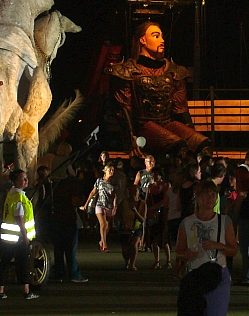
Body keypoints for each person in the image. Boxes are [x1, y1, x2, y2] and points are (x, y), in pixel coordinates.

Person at [106, 22, 212, 155]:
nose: (162, 40)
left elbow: (181, 108)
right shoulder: (128, 71)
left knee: (203, 146)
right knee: (178, 147)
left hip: (168, 124)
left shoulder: (173, 71)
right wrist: (131, 138)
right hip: (144, 129)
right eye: (156, 36)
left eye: (162, 36)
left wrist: (190, 133)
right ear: (142, 40)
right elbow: (124, 109)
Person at [175, 180, 238, 316]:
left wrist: (219, 246)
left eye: (213, 195)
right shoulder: (187, 222)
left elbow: (233, 250)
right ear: (197, 197)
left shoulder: (224, 221)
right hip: (194, 275)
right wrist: (185, 254)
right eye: (206, 194)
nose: (210, 198)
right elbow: (178, 250)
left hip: (217, 274)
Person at [0, 170, 39, 300]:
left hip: (8, 237)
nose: (26, 180)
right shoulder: (19, 197)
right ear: (15, 181)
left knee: (4, 263)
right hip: (19, 238)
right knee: (23, 264)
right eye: (23, 178)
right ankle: (26, 291)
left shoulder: (10, 195)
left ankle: (1, 290)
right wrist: (25, 236)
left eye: (26, 178)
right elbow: (19, 217)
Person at [49, 165, 88, 283]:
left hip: (56, 217)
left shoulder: (53, 184)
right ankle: (74, 274)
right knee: (70, 248)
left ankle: (59, 273)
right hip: (68, 218)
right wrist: (82, 201)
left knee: (58, 249)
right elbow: (74, 201)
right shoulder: (71, 184)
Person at [80, 163, 117, 252]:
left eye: (112, 170)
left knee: (107, 225)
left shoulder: (113, 182)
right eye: (110, 170)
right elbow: (92, 192)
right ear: (105, 171)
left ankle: (101, 241)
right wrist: (86, 204)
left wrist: (115, 207)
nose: (111, 172)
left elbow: (115, 195)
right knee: (103, 224)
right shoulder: (99, 181)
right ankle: (104, 244)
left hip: (109, 205)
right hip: (100, 204)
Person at [145, 167, 171, 269]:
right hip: (152, 214)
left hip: (162, 214)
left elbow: (165, 201)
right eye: (153, 174)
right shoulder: (150, 186)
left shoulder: (165, 185)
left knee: (164, 239)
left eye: (157, 174)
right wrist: (148, 211)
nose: (155, 176)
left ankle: (168, 261)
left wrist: (153, 208)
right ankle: (157, 261)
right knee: (154, 239)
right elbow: (147, 200)